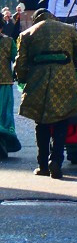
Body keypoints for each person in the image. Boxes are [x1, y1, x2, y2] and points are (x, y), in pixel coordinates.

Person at [14, 7, 77, 177]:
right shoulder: (69, 30)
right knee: (62, 121)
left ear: (36, 19)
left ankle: (43, 165)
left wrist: (23, 78)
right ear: (52, 16)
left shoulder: (27, 34)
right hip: (65, 80)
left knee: (41, 123)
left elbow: (20, 63)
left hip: (39, 81)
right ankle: (56, 161)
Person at [0, 29, 22, 159]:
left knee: (5, 113)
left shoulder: (8, 41)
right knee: (4, 114)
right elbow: (17, 60)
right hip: (4, 82)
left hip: (5, 83)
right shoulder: (8, 41)